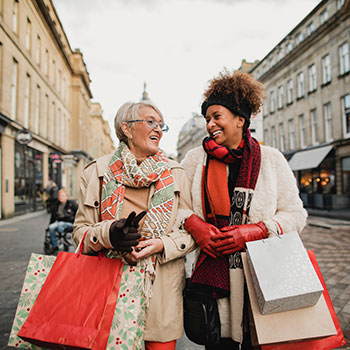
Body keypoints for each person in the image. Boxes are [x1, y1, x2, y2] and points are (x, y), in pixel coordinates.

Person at [181, 70, 307, 350]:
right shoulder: (194, 159)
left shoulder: (271, 159)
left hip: (261, 277)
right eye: (207, 118)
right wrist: (193, 224)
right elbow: (178, 207)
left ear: (240, 119)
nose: (210, 124)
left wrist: (258, 230)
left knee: (257, 342)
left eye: (217, 116)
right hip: (212, 282)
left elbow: (296, 215)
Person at [72, 101, 195, 350]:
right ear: (126, 129)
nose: (158, 129)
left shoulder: (176, 173)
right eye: (150, 122)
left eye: (161, 125)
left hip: (160, 293)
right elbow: (79, 232)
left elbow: (191, 230)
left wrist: (162, 243)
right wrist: (109, 234)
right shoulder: (96, 171)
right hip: (107, 289)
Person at [48, 188, 78, 253]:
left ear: (67, 196)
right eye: (60, 196)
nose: (61, 197)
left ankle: (64, 241)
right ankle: (55, 245)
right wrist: (50, 224)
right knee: (51, 227)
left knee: (61, 225)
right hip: (59, 222)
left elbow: (78, 214)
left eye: (63, 196)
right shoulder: (56, 204)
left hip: (70, 222)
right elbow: (53, 216)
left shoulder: (72, 204)